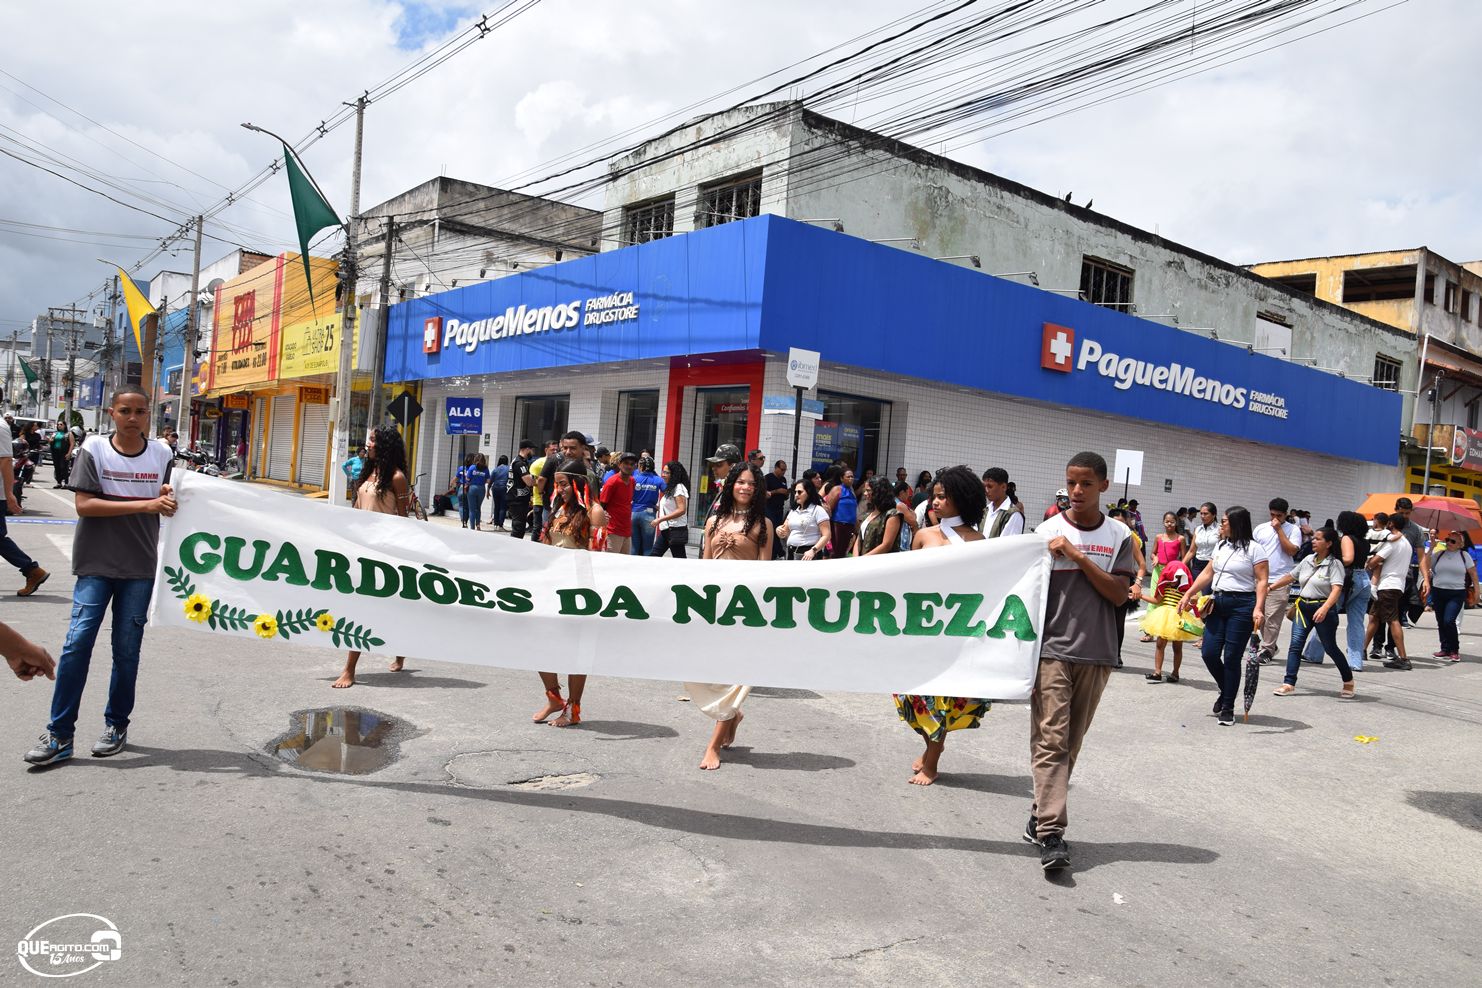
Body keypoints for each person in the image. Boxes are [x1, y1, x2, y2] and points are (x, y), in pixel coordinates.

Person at [24, 387, 176, 766]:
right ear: (112, 413)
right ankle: (60, 733)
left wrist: (169, 496)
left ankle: (116, 725)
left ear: (149, 414)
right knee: (77, 645)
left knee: (127, 652)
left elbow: (173, 500)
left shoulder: (162, 454)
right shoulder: (94, 449)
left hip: (140, 567)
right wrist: (149, 503)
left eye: (140, 411)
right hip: (95, 564)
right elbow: (85, 505)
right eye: (125, 410)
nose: (132, 417)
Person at [1023, 452, 1137, 871]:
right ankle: (1052, 832)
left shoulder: (1120, 536)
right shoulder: (1045, 532)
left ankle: (1039, 815)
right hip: (1051, 651)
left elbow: (1119, 595)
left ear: (1104, 486)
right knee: (1051, 738)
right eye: (1071, 482)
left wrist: (1078, 556)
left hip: (1097, 652)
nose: (1076, 490)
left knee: (1070, 743)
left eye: (1086, 483)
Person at [893, 466, 991, 786]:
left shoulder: (978, 540)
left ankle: (932, 762)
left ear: (961, 498)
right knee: (910, 695)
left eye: (943, 496)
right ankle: (931, 745)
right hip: (920, 626)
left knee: (942, 699)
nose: (935, 502)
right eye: (934, 496)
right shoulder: (923, 536)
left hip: (955, 630)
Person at [689, 461, 772, 770]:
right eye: (741, 482)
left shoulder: (763, 524)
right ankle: (733, 714)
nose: (746, 487)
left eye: (752, 483)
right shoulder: (713, 521)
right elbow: (705, 567)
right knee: (706, 672)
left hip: (743, 611)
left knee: (735, 676)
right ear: (731, 484)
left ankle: (713, 746)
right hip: (715, 607)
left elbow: (764, 574)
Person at [332, 427, 411, 689]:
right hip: (361, 549)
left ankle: (349, 669)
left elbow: (404, 521)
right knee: (380, 607)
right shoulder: (368, 472)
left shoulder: (397, 478)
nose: (368, 443)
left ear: (385, 445)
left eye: (373, 440)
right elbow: (357, 510)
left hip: (384, 554)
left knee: (365, 608)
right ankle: (401, 651)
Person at [532, 460, 609, 728]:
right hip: (551, 588)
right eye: (557, 484)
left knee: (576, 652)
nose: (559, 489)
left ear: (578, 483)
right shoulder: (558, 510)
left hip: (579, 592)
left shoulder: (594, 512)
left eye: (563, 484)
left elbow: (598, 558)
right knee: (538, 643)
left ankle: (572, 709)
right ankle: (554, 697)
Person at [1179, 506, 1268, 726]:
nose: (1221, 524)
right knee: (1209, 653)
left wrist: (1258, 608)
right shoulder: (1221, 545)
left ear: (1237, 523)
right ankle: (1226, 688)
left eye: (1225, 521)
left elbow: (1262, 581)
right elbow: (1208, 573)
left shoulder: (1255, 549)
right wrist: (1189, 593)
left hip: (1242, 606)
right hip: (1217, 603)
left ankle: (1228, 706)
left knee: (1231, 658)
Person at [1270, 526, 1356, 699]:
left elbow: (1336, 589)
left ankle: (1348, 680)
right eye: (1313, 538)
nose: (1313, 541)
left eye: (1318, 539)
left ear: (1329, 543)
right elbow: (1291, 576)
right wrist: (1270, 587)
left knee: (1330, 647)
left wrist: (1325, 608)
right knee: (1295, 645)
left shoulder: (1334, 564)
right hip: (1303, 608)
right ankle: (1289, 683)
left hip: (1323, 609)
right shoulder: (1308, 559)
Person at [0, 414, 48, 596]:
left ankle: (32, 570)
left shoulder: (0, 427)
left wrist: (9, 494)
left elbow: (5, 461)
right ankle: (32, 570)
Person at [1250, 498, 1302, 664]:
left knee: (1273, 617)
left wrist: (1279, 530)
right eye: (1272, 514)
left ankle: (1267, 650)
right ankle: (1271, 644)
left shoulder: (1293, 530)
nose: (1275, 518)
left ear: (1286, 514)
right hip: (1260, 578)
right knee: (1259, 615)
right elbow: (1252, 551)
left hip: (1280, 579)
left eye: (1279, 515)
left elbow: (1291, 551)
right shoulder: (1260, 529)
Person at [1366, 513, 1414, 670]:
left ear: (1391, 524)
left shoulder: (1392, 543)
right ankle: (1361, 649)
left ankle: (1404, 658)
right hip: (1397, 584)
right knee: (1374, 617)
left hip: (1388, 585)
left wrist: (1369, 563)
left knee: (1393, 620)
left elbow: (1374, 561)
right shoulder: (1407, 543)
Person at [1141, 560, 1199, 682]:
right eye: (1172, 576)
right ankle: (1157, 672)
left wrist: (1192, 602)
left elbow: (1186, 609)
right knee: (1159, 644)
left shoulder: (1186, 590)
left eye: (1177, 577)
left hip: (1178, 618)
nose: (1174, 579)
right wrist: (1141, 596)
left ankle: (1175, 673)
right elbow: (1157, 601)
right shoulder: (1165, 586)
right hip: (1164, 618)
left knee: (1177, 647)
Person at [1423, 530, 1475, 663]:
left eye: (1452, 541)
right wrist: (1432, 548)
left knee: (1449, 621)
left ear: (1460, 544)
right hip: (1438, 591)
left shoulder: (1464, 556)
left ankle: (1454, 650)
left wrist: (1477, 592)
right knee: (1441, 621)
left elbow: (1473, 574)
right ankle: (1445, 648)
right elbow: (1426, 564)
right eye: (1447, 540)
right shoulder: (1440, 554)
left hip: (1456, 593)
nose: (1448, 543)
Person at [776, 478, 831, 560]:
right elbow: (784, 530)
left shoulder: (818, 510)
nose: (796, 495)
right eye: (795, 492)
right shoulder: (793, 511)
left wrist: (813, 551)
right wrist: (778, 530)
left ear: (809, 492)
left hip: (809, 554)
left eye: (799, 492)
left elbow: (827, 535)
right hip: (791, 552)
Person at [854, 477, 904, 557]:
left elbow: (886, 545)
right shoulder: (868, 514)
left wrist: (863, 559)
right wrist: (856, 558)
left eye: (868, 490)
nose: (865, 493)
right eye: (865, 490)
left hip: (880, 562)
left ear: (879, 492)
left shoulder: (892, 515)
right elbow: (859, 539)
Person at [599, 451, 637, 554]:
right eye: (626, 463)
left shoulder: (632, 481)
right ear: (619, 464)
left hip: (627, 530)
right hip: (613, 530)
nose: (629, 466)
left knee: (624, 562)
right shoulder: (612, 482)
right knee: (611, 561)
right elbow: (601, 505)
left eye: (632, 464)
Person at [652, 460, 690, 558]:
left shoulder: (679, 488)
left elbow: (681, 510)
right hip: (667, 530)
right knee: (655, 555)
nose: (663, 475)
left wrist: (660, 519)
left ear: (674, 474)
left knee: (679, 559)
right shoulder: (672, 488)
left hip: (674, 530)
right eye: (663, 472)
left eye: (667, 473)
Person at [629, 455, 664, 556]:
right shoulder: (658, 480)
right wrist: (658, 506)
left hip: (633, 513)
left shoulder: (634, 479)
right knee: (648, 548)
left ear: (641, 466)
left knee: (634, 546)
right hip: (649, 514)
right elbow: (668, 493)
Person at [980, 467, 1026, 538]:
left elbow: (1008, 543)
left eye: (990, 486)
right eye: (984, 486)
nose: (986, 490)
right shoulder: (985, 510)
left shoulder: (1013, 514)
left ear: (1004, 487)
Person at [823, 465, 858, 558]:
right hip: (838, 525)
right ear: (842, 478)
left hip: (849, 526)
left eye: (852, 476)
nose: (851, 479)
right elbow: (828, 509)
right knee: (836, 552)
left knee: (843, 552)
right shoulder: (837, 489)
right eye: (848, 477)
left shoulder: (851, 491)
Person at [1183, 502, 1219, 583]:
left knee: (1206, 589)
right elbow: (1191, 551)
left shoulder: (1219, 529)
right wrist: (1181, 565)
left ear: (1214, 515)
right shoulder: (1198, 529)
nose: (1202, 516)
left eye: (1205, 514)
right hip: (1197, 564)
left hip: (1212, 564)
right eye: (1201, 514)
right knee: (1195, 589)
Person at [507, 440, 537, 539]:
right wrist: (538, 480)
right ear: (527, 449)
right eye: (532, 450)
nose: (533, 453)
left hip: (518, 497)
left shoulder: (519, 461)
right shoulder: (519, 463)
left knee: (519, 526)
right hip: (517, 499)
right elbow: (529, 481)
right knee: (518, 527)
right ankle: (514, 545)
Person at [764, 459, 789, 558]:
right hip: (769, 508)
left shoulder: (783, 480)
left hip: (779, 509)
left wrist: (786, 493)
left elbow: (785, 496)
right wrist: (777, 491)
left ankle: (776, 552)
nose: (783, 472)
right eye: (782, 469)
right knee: (773, 529)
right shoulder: (768, 478)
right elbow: (764, 494)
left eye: (785, 470)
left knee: (778, 530)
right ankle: (779, 552)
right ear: (776, 468)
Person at [464, 454, 489, 531]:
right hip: (481, 489)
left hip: (472, 488)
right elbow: (488, 480)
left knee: (472, 509)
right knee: (478, 508)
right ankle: (478, 525)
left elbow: (468, 479)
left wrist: (468, 484)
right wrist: (482, 481)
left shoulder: (472, 467)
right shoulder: (486, 469)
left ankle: (472, 527)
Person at [490, 455, 510, 530]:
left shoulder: (496, 469)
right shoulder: (508, 469)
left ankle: (495, 525)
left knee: (496, 506)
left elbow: (491, 480)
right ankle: (500, 525)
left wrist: (488, 490)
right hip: (504, 488)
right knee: (503, 507)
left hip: (495, 488)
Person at [455, 454, 474, 528]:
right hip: (470, 488)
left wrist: (451, 483)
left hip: (461, 488)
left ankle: (464, 522)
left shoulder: (461, 468)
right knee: (469, 506)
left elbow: (456, 478)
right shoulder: (474, 469)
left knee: (461, 506)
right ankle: (466, 521)